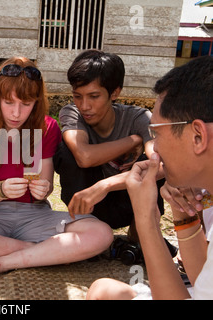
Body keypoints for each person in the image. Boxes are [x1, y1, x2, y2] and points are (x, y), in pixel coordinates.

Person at [0, 57, 113, 286]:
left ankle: (0, 262)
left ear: (36, 102)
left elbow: (45, 188)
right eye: (8, 102)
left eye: (26, 104)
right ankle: (42, 253)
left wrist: (43, 189)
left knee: (101, 234)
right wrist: (0, 190)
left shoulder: (47, 127)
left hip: (34, 214)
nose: (16, 113)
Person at [87, 55, 213, 300]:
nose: (154, 149)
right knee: (104, 291)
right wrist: (182, 213)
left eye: (157, 133)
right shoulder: (206, 192)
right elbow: (202, 281)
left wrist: (145, 220)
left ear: (197, 136)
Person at [53, 49, 166, 243]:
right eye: (78, 96)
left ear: (114, 93)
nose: (84, 105)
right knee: (66, 149)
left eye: (94, 96)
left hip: (127, 202)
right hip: (87, 202)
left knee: (153, 160)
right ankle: (86, 230)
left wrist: (106, 185)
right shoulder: (72, 113)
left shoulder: (138, 118)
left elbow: (162, 165)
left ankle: (140, 235)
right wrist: (135, 140)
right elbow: (84, 157)